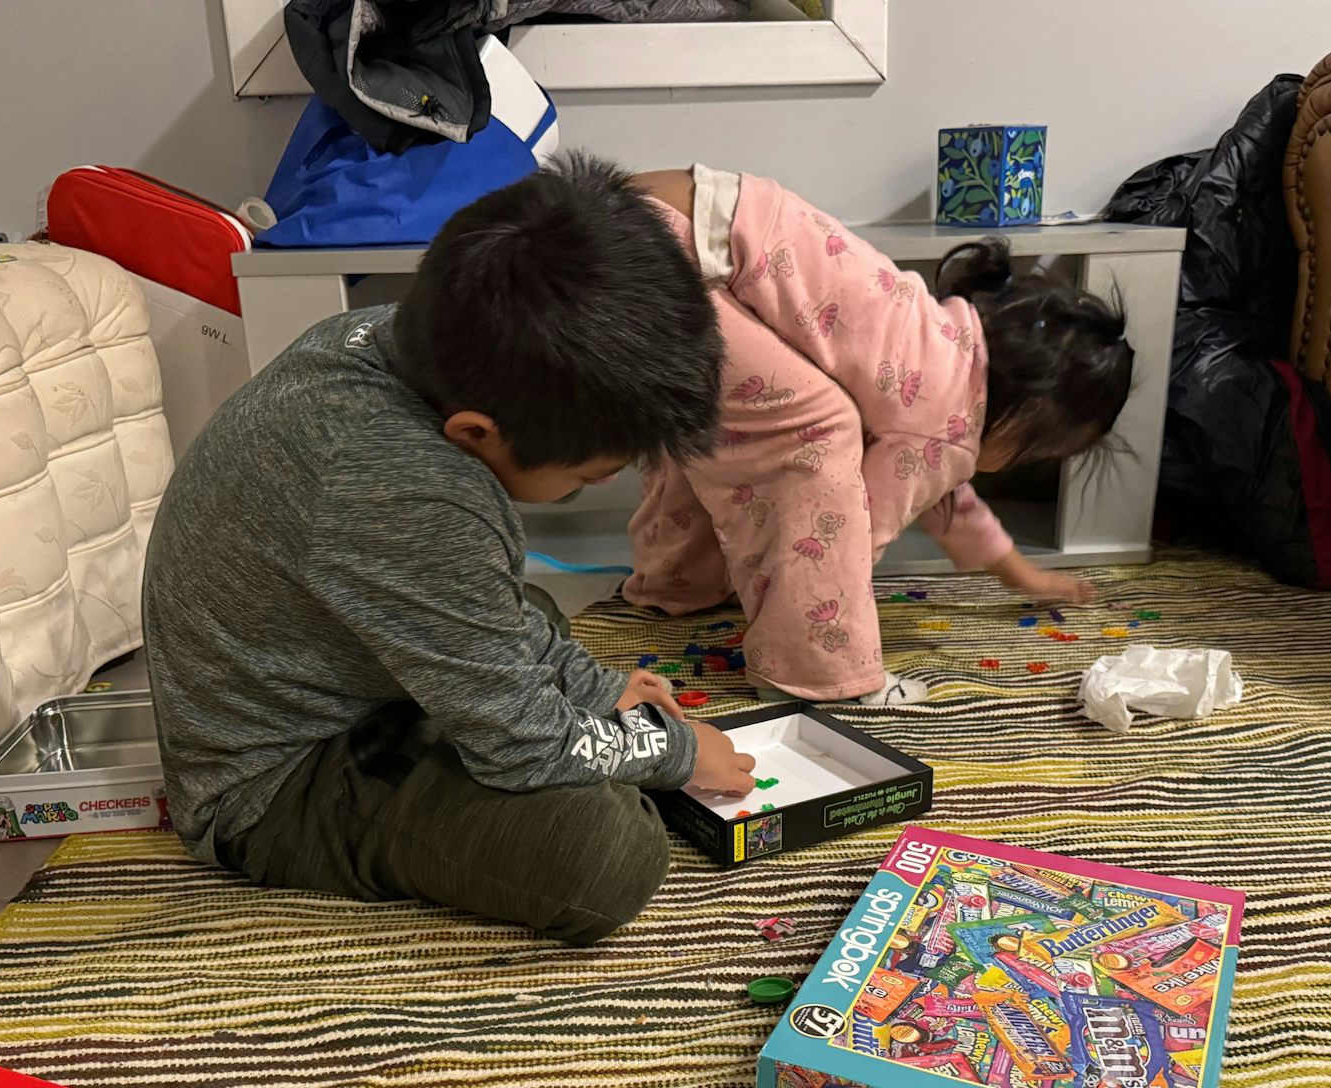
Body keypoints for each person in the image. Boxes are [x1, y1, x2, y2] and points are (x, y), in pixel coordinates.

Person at [142, 154, 755, 946]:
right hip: (277, 777)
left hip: (337, 658)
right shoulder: (404, 485)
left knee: (516, 605)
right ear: (475, 432)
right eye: (584, 477)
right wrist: (672, 753)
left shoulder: (389, 337)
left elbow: (480, 601)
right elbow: (521, 747)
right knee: (606, 856)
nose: (588, 486)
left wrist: (593, 691)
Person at [624, 167, 1135, 705]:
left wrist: (1018, 573)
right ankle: (817, 676)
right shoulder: (942, 420)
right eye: (1038, 452)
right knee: (809, 441)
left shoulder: (943, 345)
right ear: (1029, 414)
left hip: (653, 212)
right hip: (669, 259)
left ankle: (675, 581)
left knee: (738, 424)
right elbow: (846, 533)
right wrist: (826, 619)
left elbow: (945, 492)